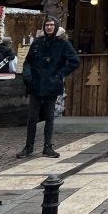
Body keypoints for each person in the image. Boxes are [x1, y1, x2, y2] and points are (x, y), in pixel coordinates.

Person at [17, 15, 79, 159]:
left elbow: (74, 61)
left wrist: (60, 74)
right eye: (47, 25)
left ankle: (47, 146)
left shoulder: (63, 44)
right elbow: (28, 62)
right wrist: (27, 76)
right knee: (32, 117)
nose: (49, 27)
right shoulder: (37, 43)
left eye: (51, 25)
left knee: (49, 116)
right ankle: (29, 147)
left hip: (51, 84)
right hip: (35, 84)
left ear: (55, 27)